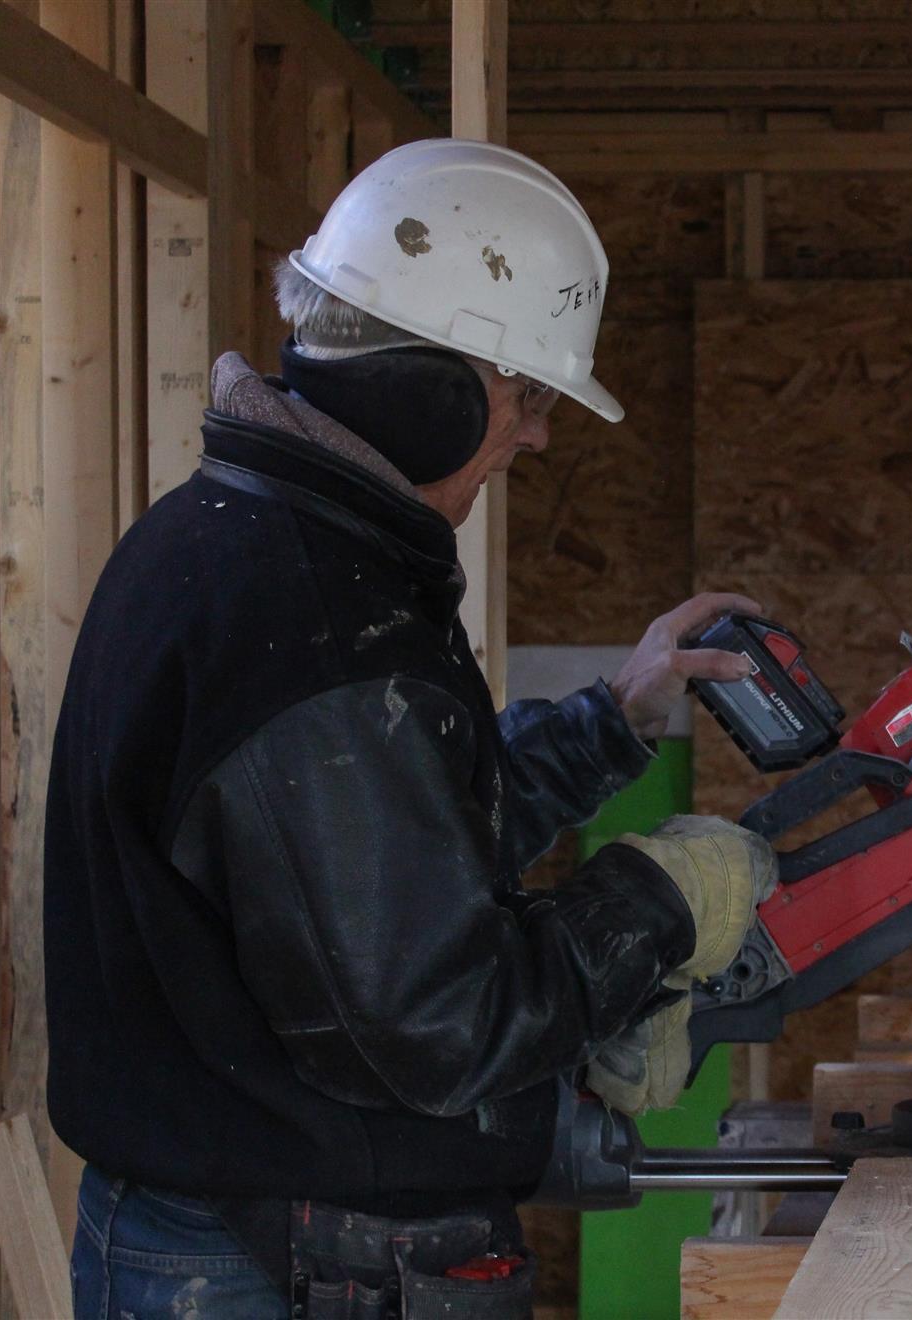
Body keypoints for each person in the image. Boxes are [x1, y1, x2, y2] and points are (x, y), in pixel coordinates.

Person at [46, 139, 765, 1318]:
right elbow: (438, 1024)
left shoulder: (242, 540)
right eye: (527, 395)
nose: (535, 437)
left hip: (238, 1225)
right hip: (271, 1263)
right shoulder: (318, 621)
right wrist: (654, 902)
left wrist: (609, 725)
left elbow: (377, 852)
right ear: (429, 395)